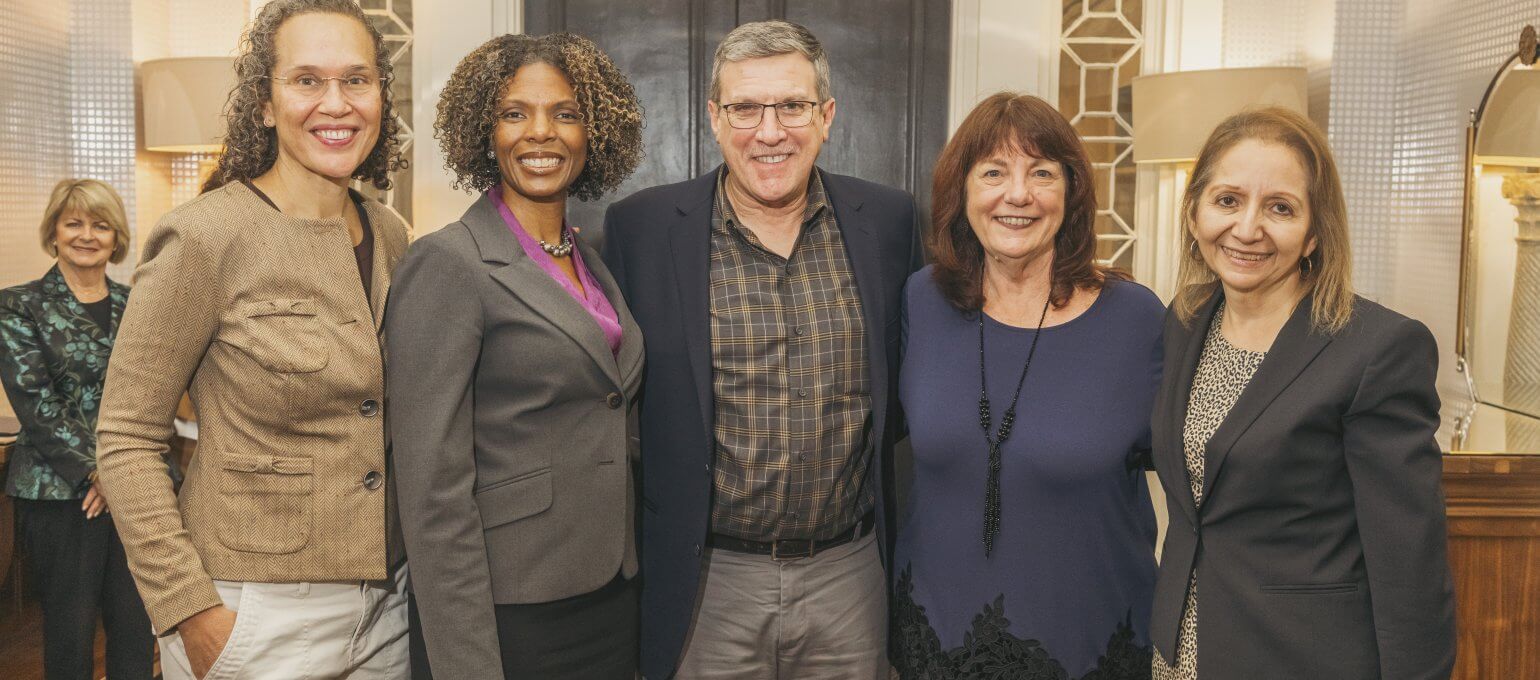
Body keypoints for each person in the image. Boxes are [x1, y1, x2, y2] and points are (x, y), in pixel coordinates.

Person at [95, 0, 411, 678]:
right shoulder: (205, 236)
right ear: (265, 104)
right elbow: (125, 437)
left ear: (380, 97)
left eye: (356, 80)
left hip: (389, 608)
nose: (336, 103)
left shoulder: (391, 234)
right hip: (254, 612)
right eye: (307, 80)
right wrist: (189, 610)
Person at [602, 19, 925, 680]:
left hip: (848, 577)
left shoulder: (889, 222)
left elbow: (914, 385)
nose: (770, 131)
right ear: (714, 119)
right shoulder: (642, 229)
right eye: (746, 108)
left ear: (826, 116)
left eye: (792, 106)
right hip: (706, 580)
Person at [1148, 108, 1456, 679]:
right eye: (1227, 200)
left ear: (1315, 231)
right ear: (1194, 213)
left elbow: (1408, 560)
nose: (1247, 229)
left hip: (1299, 658)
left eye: (1280, 208)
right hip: (1180, 652)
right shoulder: (1186, 320)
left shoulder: (1378, 349)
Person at [385, 33, 645, 680]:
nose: (541, 132)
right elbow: (432, 490)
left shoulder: (590, 260)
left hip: (610, 595)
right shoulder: (448, 262)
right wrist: (465, 663)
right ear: (485, 130)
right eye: (514, 113)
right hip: (509, 610)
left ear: (593, 131)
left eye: (565, 113)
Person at [888, 93, 1161, 679]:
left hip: (1089, 637)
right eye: (994, 172)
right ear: (962, 192)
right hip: (937, 638)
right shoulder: (920, 300)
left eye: (1042, 173)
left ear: (1072, 192)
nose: (1018, 194)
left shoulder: (1135, 319)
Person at [0, 179, 158, 680]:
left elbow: (154, 391)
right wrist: (98, 472)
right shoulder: (18, 305)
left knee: (137, 626)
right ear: (54, 232)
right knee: (69, 633)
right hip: (58, 492)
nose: (87, 235)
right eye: (74, 223)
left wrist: (120, 474)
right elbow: (36, 402)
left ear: (116, 238)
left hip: (136, 488)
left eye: (101, 225)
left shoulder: (140, 303)